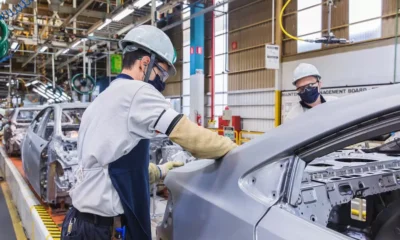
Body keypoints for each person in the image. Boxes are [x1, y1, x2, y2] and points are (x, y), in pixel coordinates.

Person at [61, 25, 237, 240]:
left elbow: (111, 164)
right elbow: (191, 136)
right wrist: (239, 152)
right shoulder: (137, 91)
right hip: (103, 229)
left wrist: (161, 170)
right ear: (145, 63)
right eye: (161, 73)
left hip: (80, 223)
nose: (162, 82)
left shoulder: (105, 97)